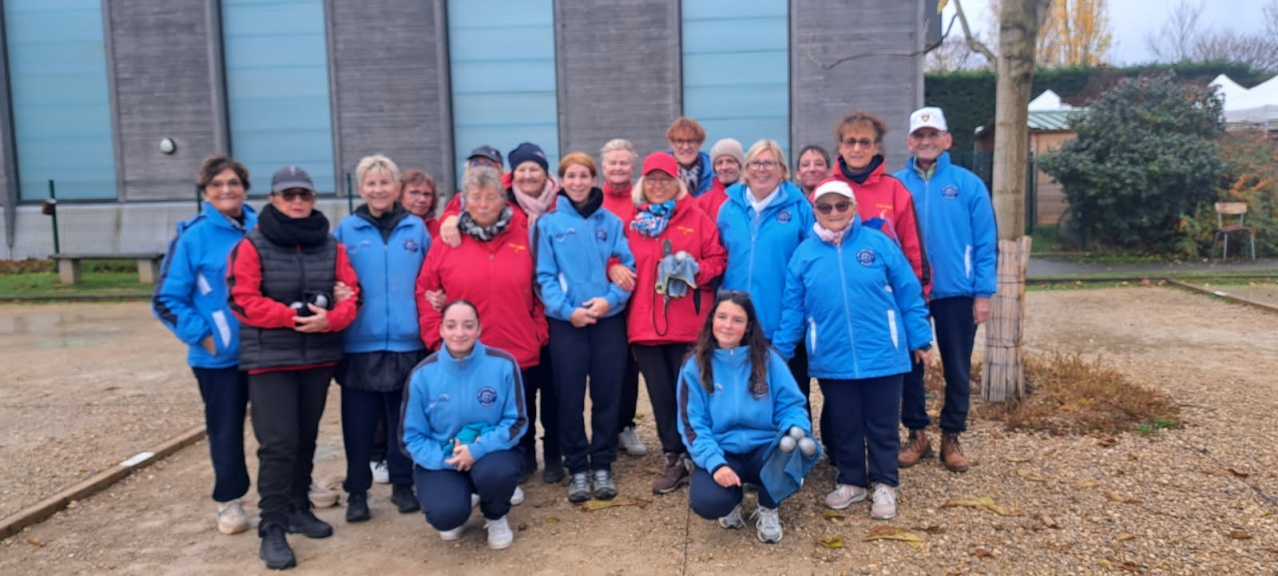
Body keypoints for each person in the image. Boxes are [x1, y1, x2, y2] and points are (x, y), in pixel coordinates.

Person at [773, 179, 932, 521]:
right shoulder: (805, 253)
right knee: (844, 423)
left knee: (882, 423)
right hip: (833, 357)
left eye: (841, 206)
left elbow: (908, 293)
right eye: (825, 207)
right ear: (814, 211)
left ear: (855, 208)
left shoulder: (879, 244)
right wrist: (780, 352)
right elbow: (793, 309)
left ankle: (885, 483)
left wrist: (920, 339)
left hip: (883, 355)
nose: (834, 213)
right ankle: (851, 480)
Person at [228, 166, 361, 570]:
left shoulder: (331, 245)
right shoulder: (253, 244)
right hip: (271, 358)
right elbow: (242, 299)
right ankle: (272, 525)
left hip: (317, 356)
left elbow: (352, 294)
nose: (297, 201)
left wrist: (331, 320)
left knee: (306, 437)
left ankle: (299, 506)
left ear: (314, 198)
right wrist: (290, 315)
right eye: (289, 195)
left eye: (304, 194)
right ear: (274, 199)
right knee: (278, 444)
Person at [416, 165, 547, 500]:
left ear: (503, 200)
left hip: (518, 346)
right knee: (471, 412)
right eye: (476, 196)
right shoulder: (447, 240)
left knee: (519, 412)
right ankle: (470, 474)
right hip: (466, 352)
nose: (484, 203)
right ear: (465, 201)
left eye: (491, 196)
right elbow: (427, 290)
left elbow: (538, 291)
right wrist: (436, 339)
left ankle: (516, 469)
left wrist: (538, 333)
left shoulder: (524, 235)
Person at [152, 154, 258, 536]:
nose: (226, 190)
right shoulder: (193, 235)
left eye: (233, 182)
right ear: (205, 192)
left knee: (278, 428)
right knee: (226, 428)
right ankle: (229, 500)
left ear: (244, 187)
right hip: (218, 358)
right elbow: (166, 299)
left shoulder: (263, 227)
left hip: (265, 349)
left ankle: (291, 490)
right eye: (217, 185)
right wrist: (205, 336)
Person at [893, 107, 997, 473]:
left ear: (947, 140)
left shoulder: (968, 185)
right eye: (919, 136)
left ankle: (952, 435)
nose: (926, 141)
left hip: (956, 290)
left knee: (956, 366)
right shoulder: (896, 185)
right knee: (910, 367)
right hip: (909, 293)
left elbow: (985, 241)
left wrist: (983, 292)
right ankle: (917, 433)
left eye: (933, 135)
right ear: (909, 142)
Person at [620, 152, 726, 495]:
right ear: (643, 184)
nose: (658, 185)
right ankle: (674, 456)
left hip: (688, 324)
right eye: (652, 179)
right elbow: (616, 259)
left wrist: (696, 269)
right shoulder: (633, 223)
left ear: (677, 183)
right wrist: (612, 268)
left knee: (694, 393)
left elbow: (718, 260)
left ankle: (701, 454)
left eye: (665, 178)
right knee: (662, 396)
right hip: (645, 327)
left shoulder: (696, 218)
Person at [332, 154, 431, 523]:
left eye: (385, 183)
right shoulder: (346, 231)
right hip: (360, 342)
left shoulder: (415, 230)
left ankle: (402, 485)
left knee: (402, 421)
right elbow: (335, 276)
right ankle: (357, 492)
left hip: (407, 340)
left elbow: (429, 276)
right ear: (361, 189)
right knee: (359, 425)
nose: (378, 190)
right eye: (371, 184)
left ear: (396, 189)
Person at [534, 152, 635, 502]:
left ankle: (603, 462)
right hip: (568, 324)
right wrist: (565, 310)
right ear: (561, 182)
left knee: (608, 394)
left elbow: (626, 266)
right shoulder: (548, 225)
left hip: (607, 321)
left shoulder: (612, 222)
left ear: (594, 179)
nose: (578, 182)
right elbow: (544, 276)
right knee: (570, 397)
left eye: (584, 176)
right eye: (571, 176)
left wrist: (610, 301)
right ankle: (577, 465)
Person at [678, 292, 812, 544]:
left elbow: (791, 405)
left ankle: (768, 506)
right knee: (708, 502)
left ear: (748, 326)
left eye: (737, 320)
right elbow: (693, 426)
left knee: (788, 454)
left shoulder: (768, 359)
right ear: (712, 319)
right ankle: (732, 500)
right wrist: (715, 464)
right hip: (722, 449)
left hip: (764, 448)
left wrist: (795, 428)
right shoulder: (694, 366)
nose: (728, 325)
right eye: (722, 317)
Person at [401, 300, 527, 550]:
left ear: (479, 329)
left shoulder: (503, 363)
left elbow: (516, 421)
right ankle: (462, 499)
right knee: (445, 518)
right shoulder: (422, 375)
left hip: (489, 453)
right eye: (451, 325)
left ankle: (495, 514)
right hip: (444, 458)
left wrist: (477, 450)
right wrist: (447, 459)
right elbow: (410, 437)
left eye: (468, 326)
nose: (460, 333)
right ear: (441, 330)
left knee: (497, 474)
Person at [715, 140, 816, 405]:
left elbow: (810, 268)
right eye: (755, 163)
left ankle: (793, 445)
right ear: (746, 169)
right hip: (737, 321)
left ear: (782, 169)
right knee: (742, 396)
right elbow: (717, 258)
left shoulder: (800, 208)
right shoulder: (728, 208)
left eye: (769, 163)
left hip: (783, 320)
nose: (762, 169)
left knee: (789, 396)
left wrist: (794, 323)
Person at [599, 138, 648, 458]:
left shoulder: (641, 200)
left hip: (639, 294)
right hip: (605, 296)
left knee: (632, 366)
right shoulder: (593, 200)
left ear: (632, 167)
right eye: (612, 163)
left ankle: (625, 425)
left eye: (623, 163)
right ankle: (605, 429)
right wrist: (612, 267)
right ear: (603, 167)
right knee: (609, 367)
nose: (618, 168)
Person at [667, 116, 716, 197]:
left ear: (699, 143)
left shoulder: (714, 167)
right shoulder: (660, 169)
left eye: (691, 141)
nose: (686, 147)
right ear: (672, 143)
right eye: (680, 141)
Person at [697, 138, 745, 221]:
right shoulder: (701, 203)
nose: (724, 167)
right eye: (719, 163)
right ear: (714, 168)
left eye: (730, 161)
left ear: (740, 165)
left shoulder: (753, 198)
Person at [401, 168, 441, 238]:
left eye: (427, 194)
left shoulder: (440, 230)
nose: (422, 200)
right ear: (399, 194)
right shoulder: (388, 226)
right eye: (414, 193)